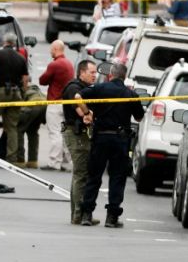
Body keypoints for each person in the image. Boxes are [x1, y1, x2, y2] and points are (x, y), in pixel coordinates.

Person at [75, 63, 144, 228]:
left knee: (94, 176)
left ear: (110, 75)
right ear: (124, 77)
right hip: (120, 140)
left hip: (101, 138)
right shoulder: (130, 94)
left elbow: (77, 97)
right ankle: (111, 217)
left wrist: (87, 113)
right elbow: (139, 117)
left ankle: (87, 214)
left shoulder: (99, 88)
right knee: (117, 178)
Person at [0, 33, 29, 163]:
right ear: (14, 43)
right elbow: (25, 78)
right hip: (15, 93)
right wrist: (23, 92)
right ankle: (11, 158)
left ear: (4, 41)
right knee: (12, 126)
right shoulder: (20, 58)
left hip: (1, 92)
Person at [63, 60, 97, 225]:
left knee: (80, 174)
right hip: (76, 135)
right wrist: (87, 113)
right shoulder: (73, 87)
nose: (94, 75)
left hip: (80, 135)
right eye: (92, 72)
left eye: (95, 72)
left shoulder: (85, 88)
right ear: (82, 72)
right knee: (81, 174)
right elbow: (78, 102)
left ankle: (78, 213)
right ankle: (78, 215)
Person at [39, 40, 74, 171]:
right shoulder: (69, 64)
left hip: (54, 103)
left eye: (51, 49)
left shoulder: (55, 64)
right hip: (66, 104)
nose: (50, 51)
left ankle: (54, 162)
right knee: (64, 133)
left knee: (55, 133)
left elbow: (42, 80)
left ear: (55, 49)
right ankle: (66, 162)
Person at [15, 84, 47, 169]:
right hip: (44, 106)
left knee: (19, 131)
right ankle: (33, 161)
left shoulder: (23, 89)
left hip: (32, 106)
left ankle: (20, 160)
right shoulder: (39, 91)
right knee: (33, 132)